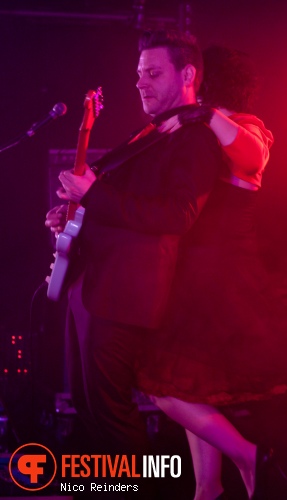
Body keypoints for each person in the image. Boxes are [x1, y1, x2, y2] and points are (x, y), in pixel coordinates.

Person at [45, 29, 224, 496]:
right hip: (93, 285)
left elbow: (177, 214)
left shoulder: (195, 138)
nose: (141, 83)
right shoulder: (150, 133)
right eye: (138, 74)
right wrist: (75, 213)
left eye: (153, 73)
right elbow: (117, 201)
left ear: (188, 75)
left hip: (123, 294)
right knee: (89, 408)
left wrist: (93, 194)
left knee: (112, 415)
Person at [135, 46, 287, 499]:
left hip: (223, 278)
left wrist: (202, 114)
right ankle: (208, 487)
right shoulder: (195, 131)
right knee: (187, 385)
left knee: (163, 385)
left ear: (200, 82)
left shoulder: (239, 125)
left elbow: (253, 158)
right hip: (196, 276)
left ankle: (249, 458)